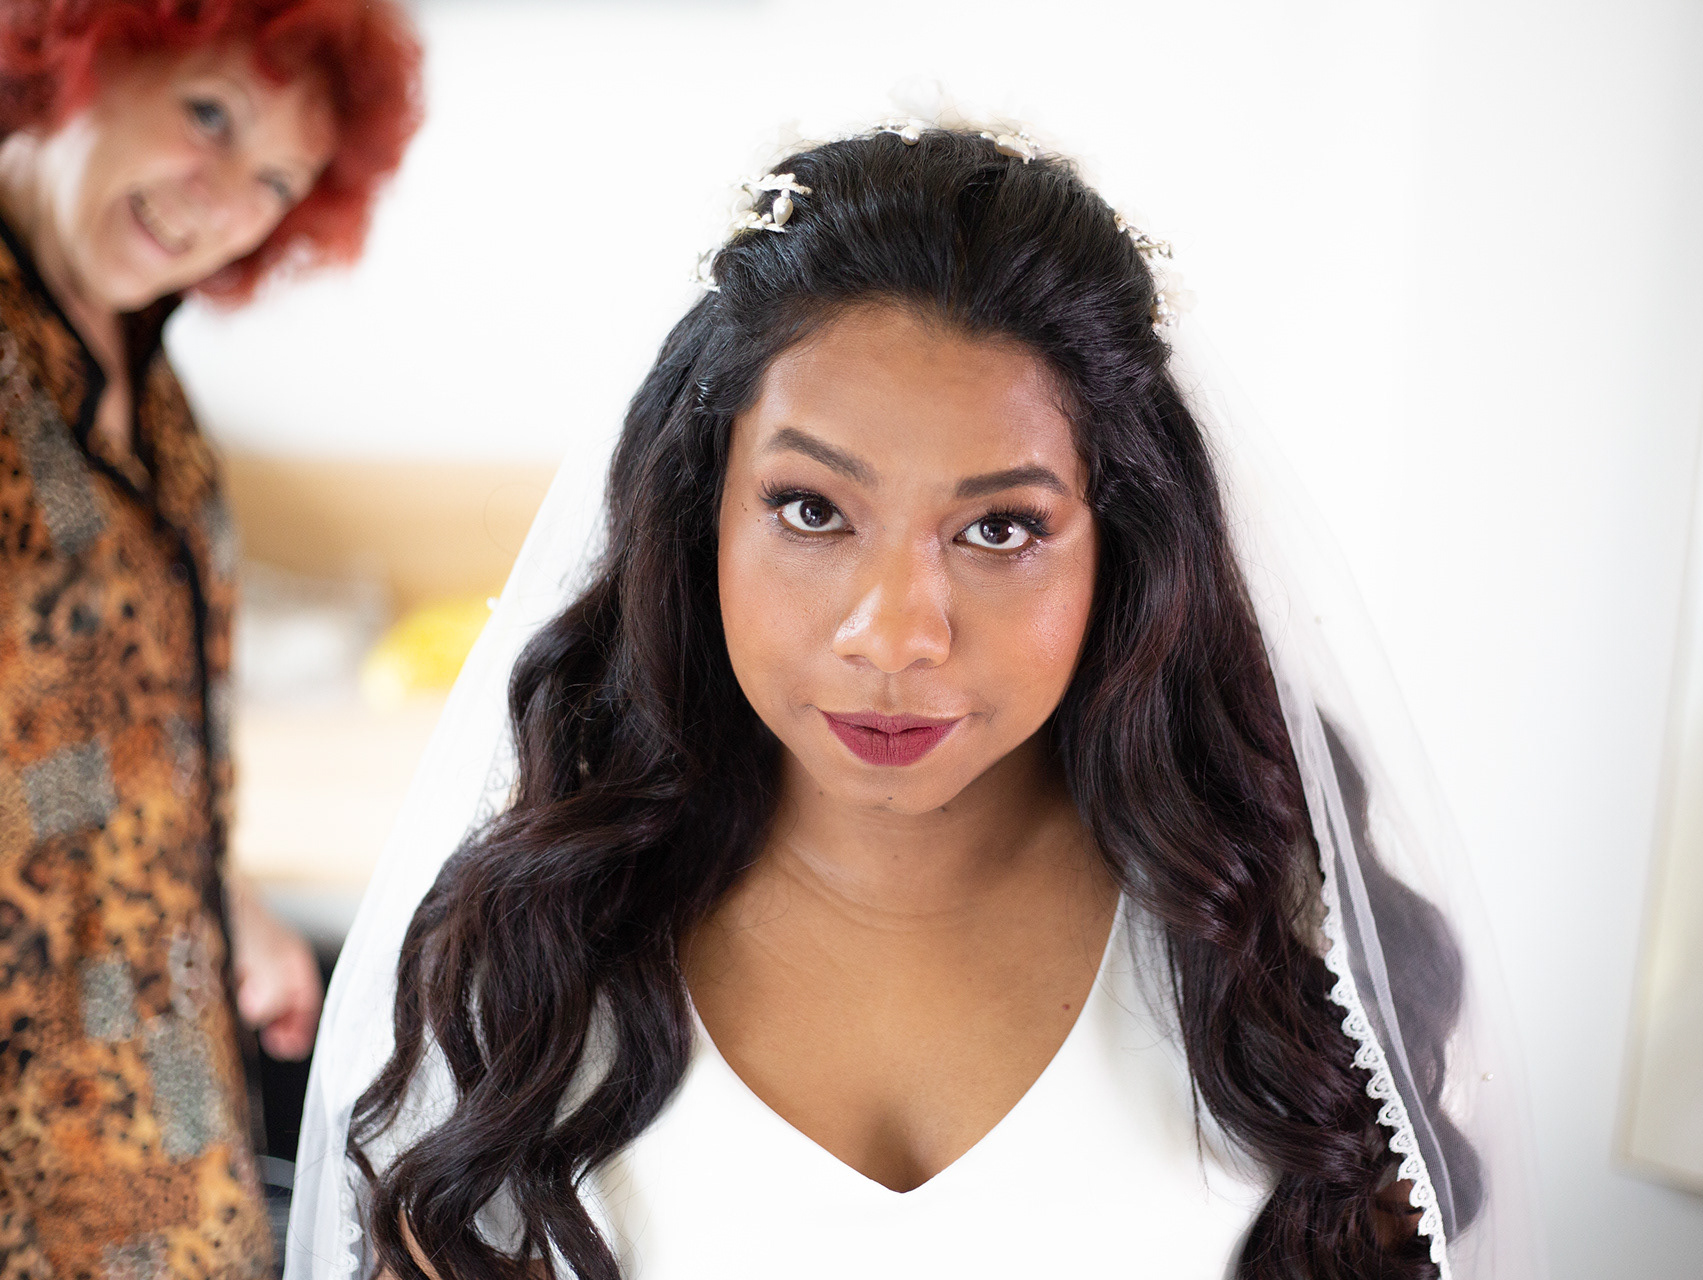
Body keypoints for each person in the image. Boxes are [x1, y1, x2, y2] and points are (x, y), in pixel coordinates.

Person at [296, 125, 1531, 1280]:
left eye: (1000, 527)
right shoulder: (533, 950)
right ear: (699, 519)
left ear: (1128, 550)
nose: (893, 633)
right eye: (811, 509)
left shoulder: (1275, 938)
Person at [0, 1, 421, 1274]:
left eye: (280, 181)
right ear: (79, 51)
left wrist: (219, 896)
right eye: (210, 115)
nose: (229, 199)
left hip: (152, 1083)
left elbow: (106, 706)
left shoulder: (145, 369)